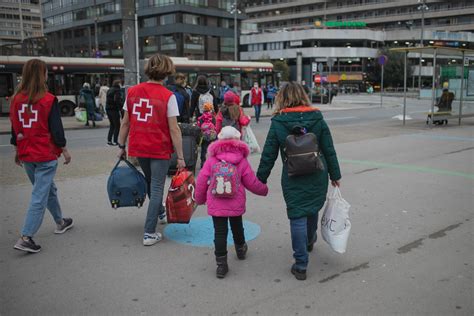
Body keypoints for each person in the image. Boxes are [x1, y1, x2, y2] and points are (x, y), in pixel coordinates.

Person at [256, 82, 341, 281]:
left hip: (292, 176)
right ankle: (310, 238)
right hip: (317, 173)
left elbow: (268, 154)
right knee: (311, 208)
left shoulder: (278, 121)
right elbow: (328, 149)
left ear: (282, 98)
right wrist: (335, 175)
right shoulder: (317, 117)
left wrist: (260, 179)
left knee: (297, 215)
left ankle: (301, 264)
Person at [117, 53, 185, 246]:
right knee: (156, 188)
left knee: (150, 182)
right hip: (159, 148)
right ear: (167, 72)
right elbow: (174, 129)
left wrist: (121, 146)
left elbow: (125, 123)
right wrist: (180, 156)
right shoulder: (168, 96)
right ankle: (149, 232)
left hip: (139, 147)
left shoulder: (132, 92)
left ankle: (160, 211)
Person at [9, 59, 73, 253]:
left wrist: (16, 151)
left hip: (26, 153)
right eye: (45, 72)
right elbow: (56, 130)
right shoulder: (48, 99)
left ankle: (60, 221)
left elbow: (15, 128)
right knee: (39, 195)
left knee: (47, 190)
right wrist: (64, 149)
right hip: (44, 153)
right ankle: (26, 236)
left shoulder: (16, 99)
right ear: (41, 75)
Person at [195, 126, 268, 278]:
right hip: (236, 202)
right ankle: (241, 249)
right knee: (237, 227)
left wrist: (200, 198)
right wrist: (264, 190)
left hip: (216, 203)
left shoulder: (212, 160)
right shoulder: (241, 161)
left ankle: (221, 265)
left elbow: (202, 180)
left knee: (220, 232)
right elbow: (251, 182)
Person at [197, 102, 217, 168]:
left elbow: (198, 127)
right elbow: (215, 126)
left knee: (204, 149)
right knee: (212, 149)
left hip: (204, 137)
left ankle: (203, 163)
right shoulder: (213, 117)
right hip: (212, 136)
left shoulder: (201, 118)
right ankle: (212, 163)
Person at [106, 80, 123, 146]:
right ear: (118, 84)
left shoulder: (110, 89)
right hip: (114, 110)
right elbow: (117, 100)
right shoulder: (117, 91)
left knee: (112, 125)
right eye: (120, 83)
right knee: (117, 126)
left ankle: (109, 140)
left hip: (108, 109)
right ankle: (115, 141)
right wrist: (121, 108)